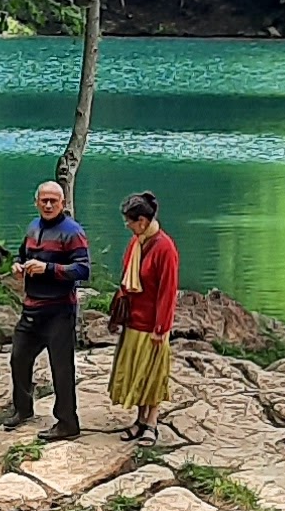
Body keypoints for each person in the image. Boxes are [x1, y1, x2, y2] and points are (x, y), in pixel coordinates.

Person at [10, 174, 90, 438]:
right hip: (32, 308)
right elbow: (22, 254)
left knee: (61, 368)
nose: (48, 205)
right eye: (44, 200)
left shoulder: (72, 232)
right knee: (19, 358)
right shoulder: (33, 227)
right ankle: (23, 409)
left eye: (53, 201)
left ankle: (67, 423)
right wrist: (18, 266)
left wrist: (49, 269)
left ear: (62, 203)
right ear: (36, 202)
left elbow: (82, 270)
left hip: (59, 310)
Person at [108, 189, 179, 438]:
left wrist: (161, 328)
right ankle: (139, 419)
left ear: (142, 221)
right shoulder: (136, 243)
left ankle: (152, 422)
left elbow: (167, 292)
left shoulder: (165, 248)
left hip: (152, 325)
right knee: (137, 373)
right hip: (134, 321)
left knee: (153, 374)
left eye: (129, 220)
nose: (127, 225)